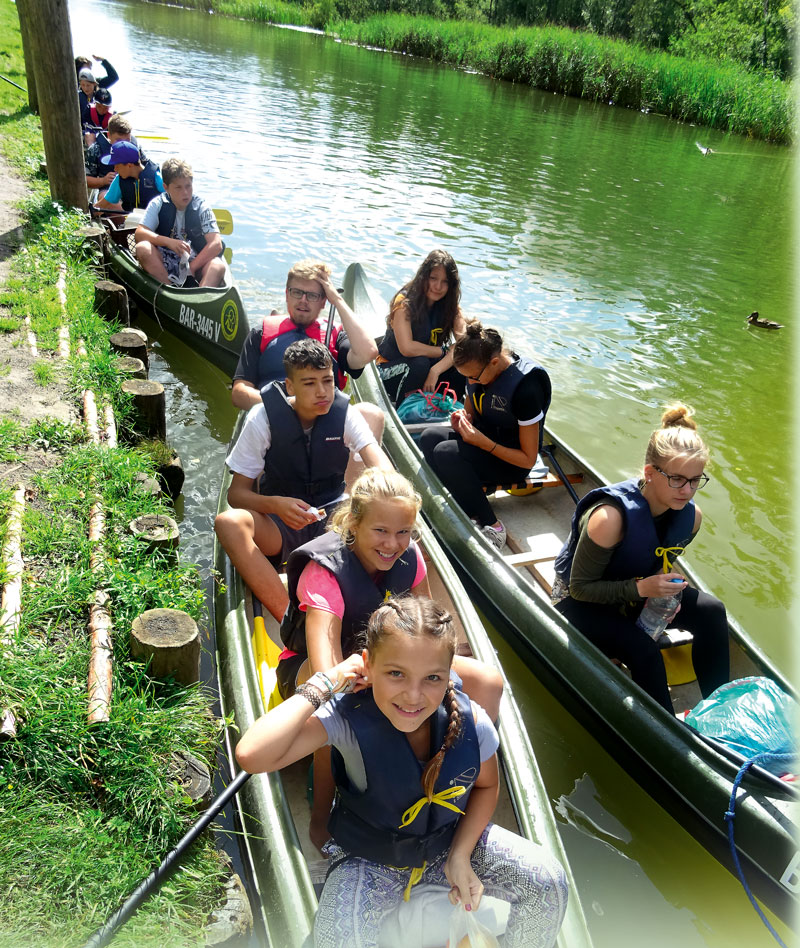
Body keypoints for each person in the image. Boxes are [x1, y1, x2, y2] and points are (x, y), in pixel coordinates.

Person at [236, 595, 568, 948]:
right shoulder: (346, 719)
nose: (413, 696)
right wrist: (328, 680)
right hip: (370, 859)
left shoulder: (474, 722)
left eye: (432, 678)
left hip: (448, 844)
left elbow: (487, 787)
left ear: (449, 675)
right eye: (396, 674)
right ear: (367, 666)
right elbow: (252, 755)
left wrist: (460, 854)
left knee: (548, 881)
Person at [278, 467, 503, 850]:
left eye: (403, 532)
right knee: (331, 712)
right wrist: (358, 677)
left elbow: (428, 624)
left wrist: (433, 672)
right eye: (380, 531)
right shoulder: (324, 573)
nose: (392, 543)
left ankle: (453, 769)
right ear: (354, 522)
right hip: (327, 669)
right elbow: (324, 664)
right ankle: (320, 817)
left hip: (389, 663)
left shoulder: (410, 557)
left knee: (488, 682)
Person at [550, 404, 730, 713]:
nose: (687, 491)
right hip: (580, 603)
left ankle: (725, 711)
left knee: (712, 610)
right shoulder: (609, 518)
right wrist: (643, 590)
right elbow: (579, 589)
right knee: (643, 649)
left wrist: (665, 591)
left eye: (695, 480)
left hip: (635, 593)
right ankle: (670, 733)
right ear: (650, 473)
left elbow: (659, 559)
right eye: (677, 480)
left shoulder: (692, 518)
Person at [214, 338, 392, 626]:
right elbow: (237, 494)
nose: (322, 392)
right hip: (281, 522)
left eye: (327, 380)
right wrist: (276, 505)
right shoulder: (263, 418)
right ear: (290, 386)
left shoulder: (344, 413)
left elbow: (380, 465)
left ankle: (382, 612)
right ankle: (292, 621)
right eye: (309, 383)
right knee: (228, 523)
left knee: (393, 519)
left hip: (334, 518)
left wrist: (382, 495)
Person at [231, 259, 384, 459]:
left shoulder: (335, 337)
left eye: (312, 295)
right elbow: (239, 393)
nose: (303, 300)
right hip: (273, 420)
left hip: (326, 424)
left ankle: (352, 487)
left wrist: (337, 299)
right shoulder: (261, 334)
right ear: (287, 295)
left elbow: (368, 352)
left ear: (323, 301)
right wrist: (289, 405)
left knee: (372, 414)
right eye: (296, 292)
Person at [420, 322, 551, 551]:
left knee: (447, 453)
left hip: (512, 461)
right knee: (430, 437)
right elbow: (472, 412)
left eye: (474, 377)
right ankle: (463, 502)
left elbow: (528, 460)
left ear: (494, 362)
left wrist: (484, 443)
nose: (470, 382)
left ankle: (493, 526)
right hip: (484, 442)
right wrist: (463, 420)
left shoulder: (526, 389)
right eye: (466, 378)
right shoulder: (478, 373)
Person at [376, 249, 467, 406]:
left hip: (429, 368)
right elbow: (407, 348)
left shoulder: (451, 306)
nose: (438, 286)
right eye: (433, 278)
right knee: (420, 364)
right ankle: (403, 411)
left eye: (445, 281)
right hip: (389, 369)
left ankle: (453, 412)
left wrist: (436, 370)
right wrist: (443, 351)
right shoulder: (404, 303)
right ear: (423, 277)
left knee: (461, 367)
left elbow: (465, 345)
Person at [134, 157, 225, 288]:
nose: (185, 193)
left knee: (217, 266)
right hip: (166, 259)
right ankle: (169, 290)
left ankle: (198, 299)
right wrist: (168, 241)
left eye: (188, 186)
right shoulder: (158, 204)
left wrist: (191, 269)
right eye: (178, 187)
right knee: (142, 248)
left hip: (195, 259)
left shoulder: (201, 207)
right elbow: (140, 233)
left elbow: (216, 244)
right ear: (166, 187)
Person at [96, 140, 164, 213]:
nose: (115, 169)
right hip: (133, 220)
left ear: (129, 165)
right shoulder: (119, 180)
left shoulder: (156, 177)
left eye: (117, 166)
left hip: (157, 221)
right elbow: (103, 204)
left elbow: (173, 199)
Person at [85, 114, 147, 194]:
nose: (123, 144)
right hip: (108, 188)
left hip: (133, 186)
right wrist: (102, 181)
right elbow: (84, 179)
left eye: (127, 140)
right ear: (109, 135)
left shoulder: (136, 147)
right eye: (118, 140)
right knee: (103, 195)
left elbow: (147, 169)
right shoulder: (96, 149)